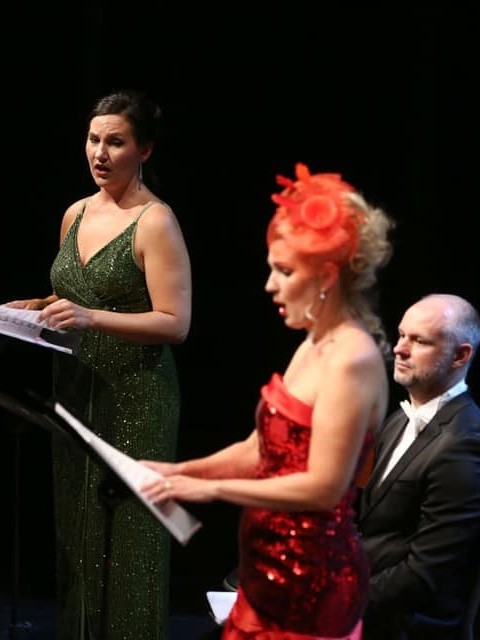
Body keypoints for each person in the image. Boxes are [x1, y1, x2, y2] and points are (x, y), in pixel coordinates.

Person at [140, 163, 394, 639]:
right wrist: (179, 472)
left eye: (285, 271)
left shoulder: (352, 359)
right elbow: (261, 448)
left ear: (327, 275)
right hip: (268, 570)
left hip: (311, 582)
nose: (270, 285)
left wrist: (213, 490)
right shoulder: (313, 343)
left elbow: (323, 488)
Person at [5, 89, 192, 640]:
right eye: (93, 140)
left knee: (128, 546)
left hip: (136, 397)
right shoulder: (76, 213)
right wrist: (40, 305)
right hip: (75, 388)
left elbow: (175, 323)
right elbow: (77, 292)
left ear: (145, 150)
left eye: (115, 142)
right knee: (79, 538)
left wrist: (90, 318)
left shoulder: (155, 222)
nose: (100, 153)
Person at [359, 293, 480, 640]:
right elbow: (373, 528)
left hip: (408, 628)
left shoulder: (465, 442)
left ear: (460, 355)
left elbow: (427, 573)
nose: (399, 349)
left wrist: (336, 600)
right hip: (371, 611)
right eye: (401, 335)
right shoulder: (398, 420)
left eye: (419, 341)